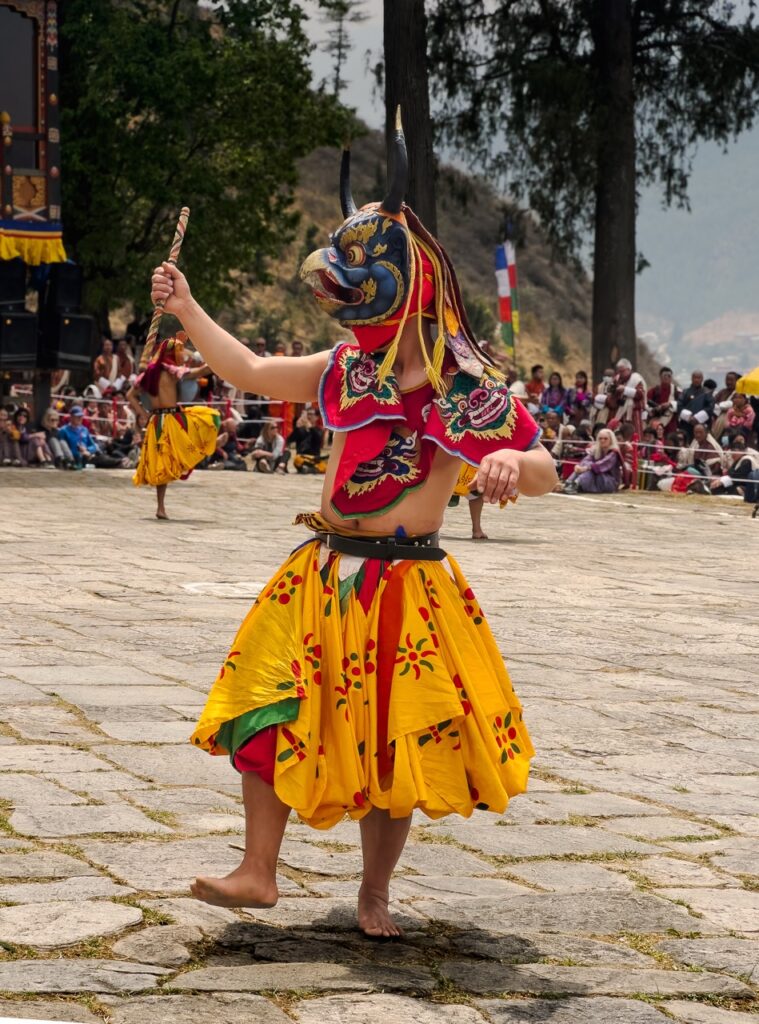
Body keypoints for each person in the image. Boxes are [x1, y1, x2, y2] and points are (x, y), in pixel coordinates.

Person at [150, 123, 557, 937]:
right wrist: (188, 308)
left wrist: (510, 461)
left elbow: (545, 465)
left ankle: (374, 892)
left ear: (404, 285)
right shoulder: (342, 370)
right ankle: (258, 870)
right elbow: (252, 371)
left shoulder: (461, 385)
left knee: (392, 740)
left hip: (408, 586)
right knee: (267, 701)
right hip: (320, 572)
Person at [128, 334, 220, 518]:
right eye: (179, 351)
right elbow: (199, 372)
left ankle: (161, 507)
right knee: (211, 418)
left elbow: (130, 395)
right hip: (170, 420)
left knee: (164, 462)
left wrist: (144, 414)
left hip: (155, 421)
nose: (181, 355)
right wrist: (215, 360)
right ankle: (160, 508)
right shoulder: (172, 371)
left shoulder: (147, 375)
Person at [57, 406, 126, 470]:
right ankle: (121, 462)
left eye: (81, 416)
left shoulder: (84, 430)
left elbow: (93, 445)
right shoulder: (64, 430)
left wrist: (87, 450)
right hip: (73, 458)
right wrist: (80, 452)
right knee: (101, 459)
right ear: (71, 417)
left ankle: (121, 462)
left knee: (102, 456)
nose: (80, 418)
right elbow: (62, 447)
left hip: (87, 457)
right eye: (77, 417)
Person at [565, 428, 622, 493]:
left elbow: (602, 465)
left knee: (591, 470)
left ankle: (576, 484)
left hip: (610, 482)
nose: (602, 440)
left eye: (605, 439)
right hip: (599, 477)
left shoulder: (614, 453)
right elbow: (586, 459)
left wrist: (586, 468)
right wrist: (579, 466)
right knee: (587, 466)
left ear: (611, 440)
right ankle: (569, 482)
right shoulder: (596, 450)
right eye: (600, 438)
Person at [607, 358, 646, 435]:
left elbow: (641, 394)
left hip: (633, 412)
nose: (620, 373)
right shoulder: (617, 378)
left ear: (629, 369)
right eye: (619, 371)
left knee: (635, 434)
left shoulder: (636, 379)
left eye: (622, 371)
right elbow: (611, 392)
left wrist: (625, 390)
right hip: (619, 410)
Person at [286, 407, 326, 474]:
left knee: (326, 463)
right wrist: (297, 427)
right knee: (297, 459)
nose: (309, 416)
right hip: (301, 458)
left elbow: (318, 440)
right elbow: (290, 440)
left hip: (314, 458)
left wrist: (310, 427)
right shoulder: (300, 429)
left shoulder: (319, 430)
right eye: (307, 414)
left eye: (311, 414)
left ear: (317, 417)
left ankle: (309, 469)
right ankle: (310, 469)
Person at [677, 370, 714, 440]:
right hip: (686, 424)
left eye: (699, 378)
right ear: (691, 378)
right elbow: (679, 405)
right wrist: (689, 417)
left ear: (702, 379)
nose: (696, 380)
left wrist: (697, 418)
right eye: (695, 378)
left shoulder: (707, 392)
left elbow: (710, 407)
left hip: (702, 424)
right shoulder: (685, 392)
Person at [647, 367, 679, 432]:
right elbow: (646, 404)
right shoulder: (654, 391)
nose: (667, 377)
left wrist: (670, 404)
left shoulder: (676, 391)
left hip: (671, 422)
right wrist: (655, 409)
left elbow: (681, 404)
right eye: (665, 376)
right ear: (660, 377)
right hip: (657, 422)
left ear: (671, 378)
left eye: (669, 376)